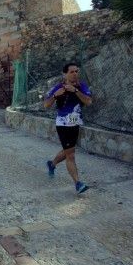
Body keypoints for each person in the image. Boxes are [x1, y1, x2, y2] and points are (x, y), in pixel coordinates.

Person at [44, 63, 92, 193]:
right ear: (65, 74)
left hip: (75, 124)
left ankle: (52, 164)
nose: (75, 73)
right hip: (63, 124)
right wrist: (55, 96)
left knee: (68, 151)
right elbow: (46, 105)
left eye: (76, 71)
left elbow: (88, 102)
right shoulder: (58, 87)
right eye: (72, 72)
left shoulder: (82, 86)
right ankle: (78, 183)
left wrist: (75, 91)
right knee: (70, 154)